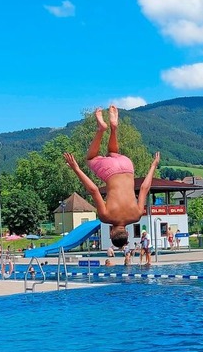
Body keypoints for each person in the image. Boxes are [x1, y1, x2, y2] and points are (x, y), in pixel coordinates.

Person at [64, 105, 160, 249]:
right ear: (111, 234)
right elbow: (94, 190)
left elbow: (144, 188)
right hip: (111, 171)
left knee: (113, 152)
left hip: (127, 167)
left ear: (126, 233)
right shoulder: (106, 217)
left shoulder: (137, 215)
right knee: (90, 158)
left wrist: (153, 166)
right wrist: (76, 169)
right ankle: (101, 129)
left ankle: (114, 128)